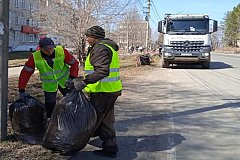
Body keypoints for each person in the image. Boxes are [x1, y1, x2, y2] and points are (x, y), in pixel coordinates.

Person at [66, 26, 122, 158]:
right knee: (105, 120)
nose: (86, 39)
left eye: (88, 36)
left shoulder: (100, 48)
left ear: (95, 37)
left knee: (91, 121)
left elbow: (102, 71)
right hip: (111, 90)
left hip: (102, 91)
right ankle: (110, 147)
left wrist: (84, 82)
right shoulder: (108, 47)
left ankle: (72, 145)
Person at [18, 37, 79, 119]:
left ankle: (76, 117)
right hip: (49, 85)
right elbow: (26, 73)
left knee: (73, 100)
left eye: (51, 48)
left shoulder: (61, 51)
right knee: (50, 105)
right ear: (41, 49)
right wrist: (21, 89)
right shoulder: (35, 57)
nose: (50, 51)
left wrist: (72, 78)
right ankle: (50, 120)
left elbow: (74, 63)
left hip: (66, 81)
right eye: (47, 49)